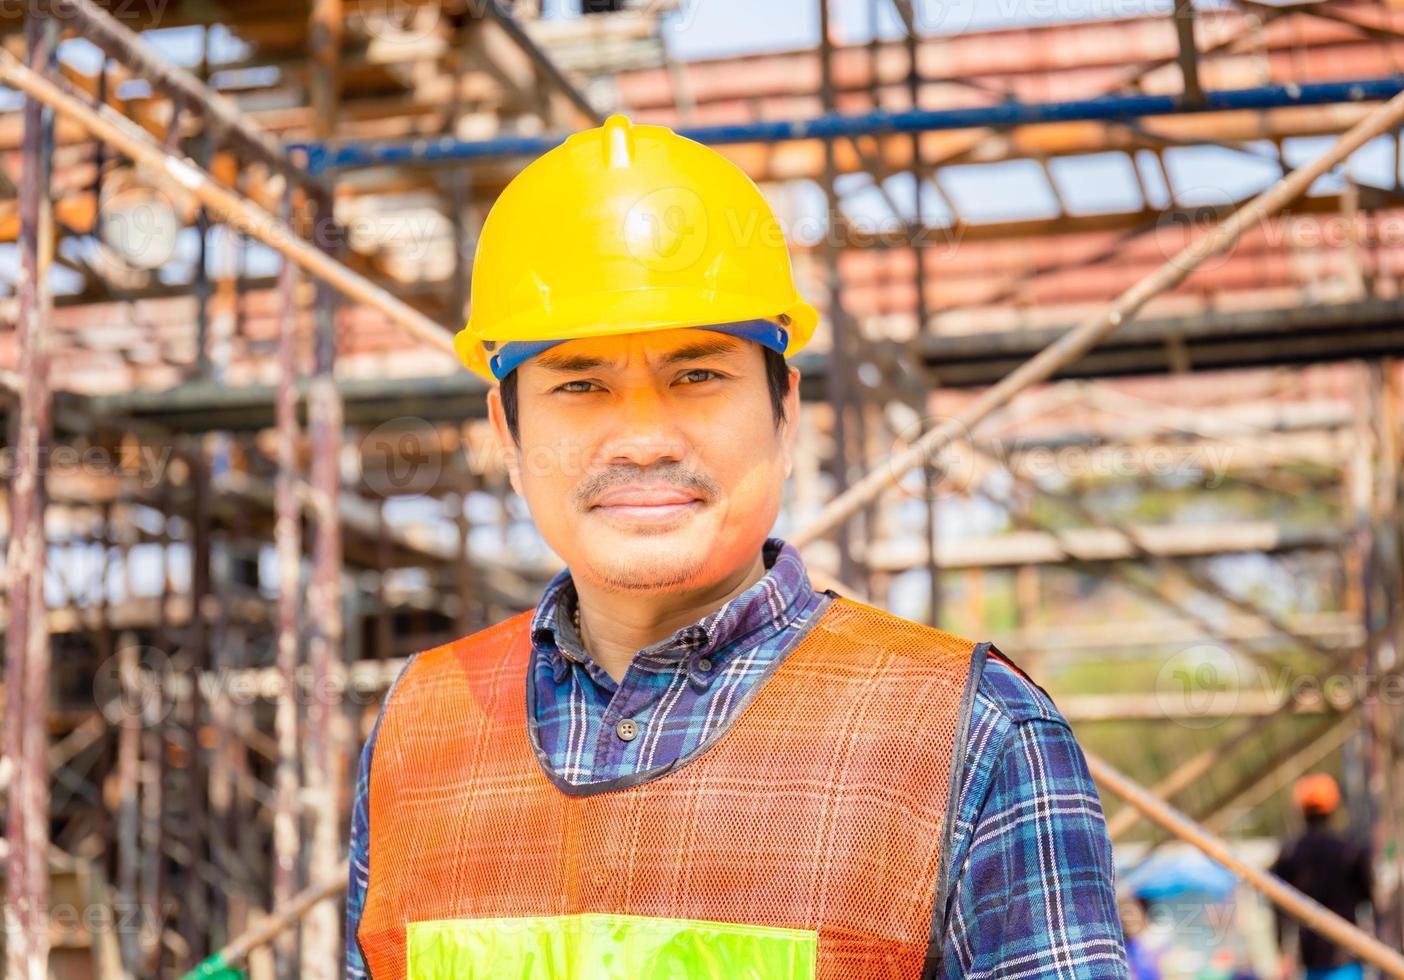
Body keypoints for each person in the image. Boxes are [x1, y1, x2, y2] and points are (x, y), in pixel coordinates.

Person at [343, 114, 1128, 979]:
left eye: (698, 374)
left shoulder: (969, 735)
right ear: (507, 429)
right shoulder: (419, 729)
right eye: (581, 384)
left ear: (785, 409)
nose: (642, 439)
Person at [1269, 774, 1376, 980]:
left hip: (1312, 960)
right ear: (1333, 807)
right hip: (1347, 957)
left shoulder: (1291, 854)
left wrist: (1282, 951)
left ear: (1301, 811)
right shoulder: (1349, 851)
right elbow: (1368, 896)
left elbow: (1278, 906)